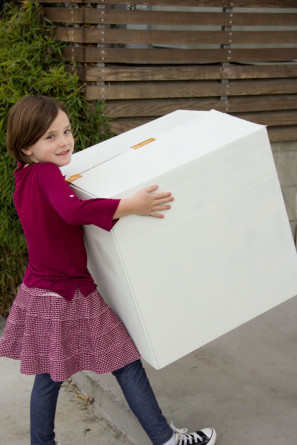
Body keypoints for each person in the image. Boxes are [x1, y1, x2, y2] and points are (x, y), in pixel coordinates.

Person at [0, 95, 217, 445]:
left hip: (39, 290)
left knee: (47, 378)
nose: (64, 141)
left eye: (66, 131)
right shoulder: (47, 173)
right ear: (26, 146)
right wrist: (132, 205)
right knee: (126, 362)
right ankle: (166, 440)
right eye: (50, 136)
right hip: (69, 293)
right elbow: (72, 212)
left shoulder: (24, 179)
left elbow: (62, 214)